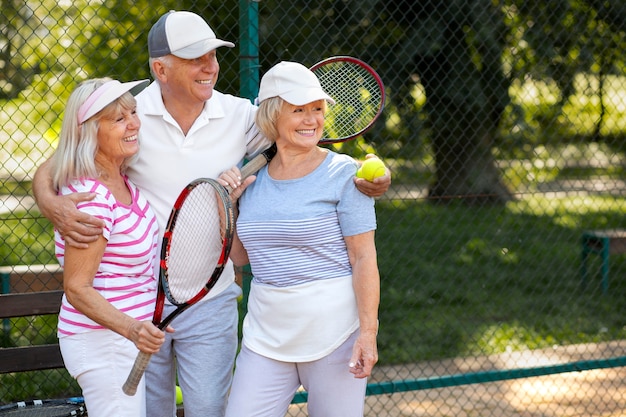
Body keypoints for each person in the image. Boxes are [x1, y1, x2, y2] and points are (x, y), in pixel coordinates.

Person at [32, 10, 390, 417]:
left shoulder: (241, 117)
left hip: (211, 300)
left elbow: (299, 133)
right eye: (195, 57)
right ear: (160, 69)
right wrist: (49, 199)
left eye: (213, 55)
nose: (210, 66)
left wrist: (372, 175)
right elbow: (65, 156)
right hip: (141, 304)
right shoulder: (131, 115)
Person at [219, 61, 380, 417]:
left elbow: (364, 258)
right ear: (273, 116)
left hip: (334, 335)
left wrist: (367, 333)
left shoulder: (344, 174)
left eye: (317, 109)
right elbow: (240, 258)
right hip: (266, 335)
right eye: (298, 110)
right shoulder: (252, 178)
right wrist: (229, 206)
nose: (311, 120)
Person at [49, 77, 166, 417]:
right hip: (104, 342)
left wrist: (147, 312)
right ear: (90, 131)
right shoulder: (92, 198)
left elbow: (126, 274)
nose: (134, 123)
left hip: (122, 339)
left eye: (133, 111)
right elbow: (77, 287)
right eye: (119, 119)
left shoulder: (122, 181)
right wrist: (132, 327)